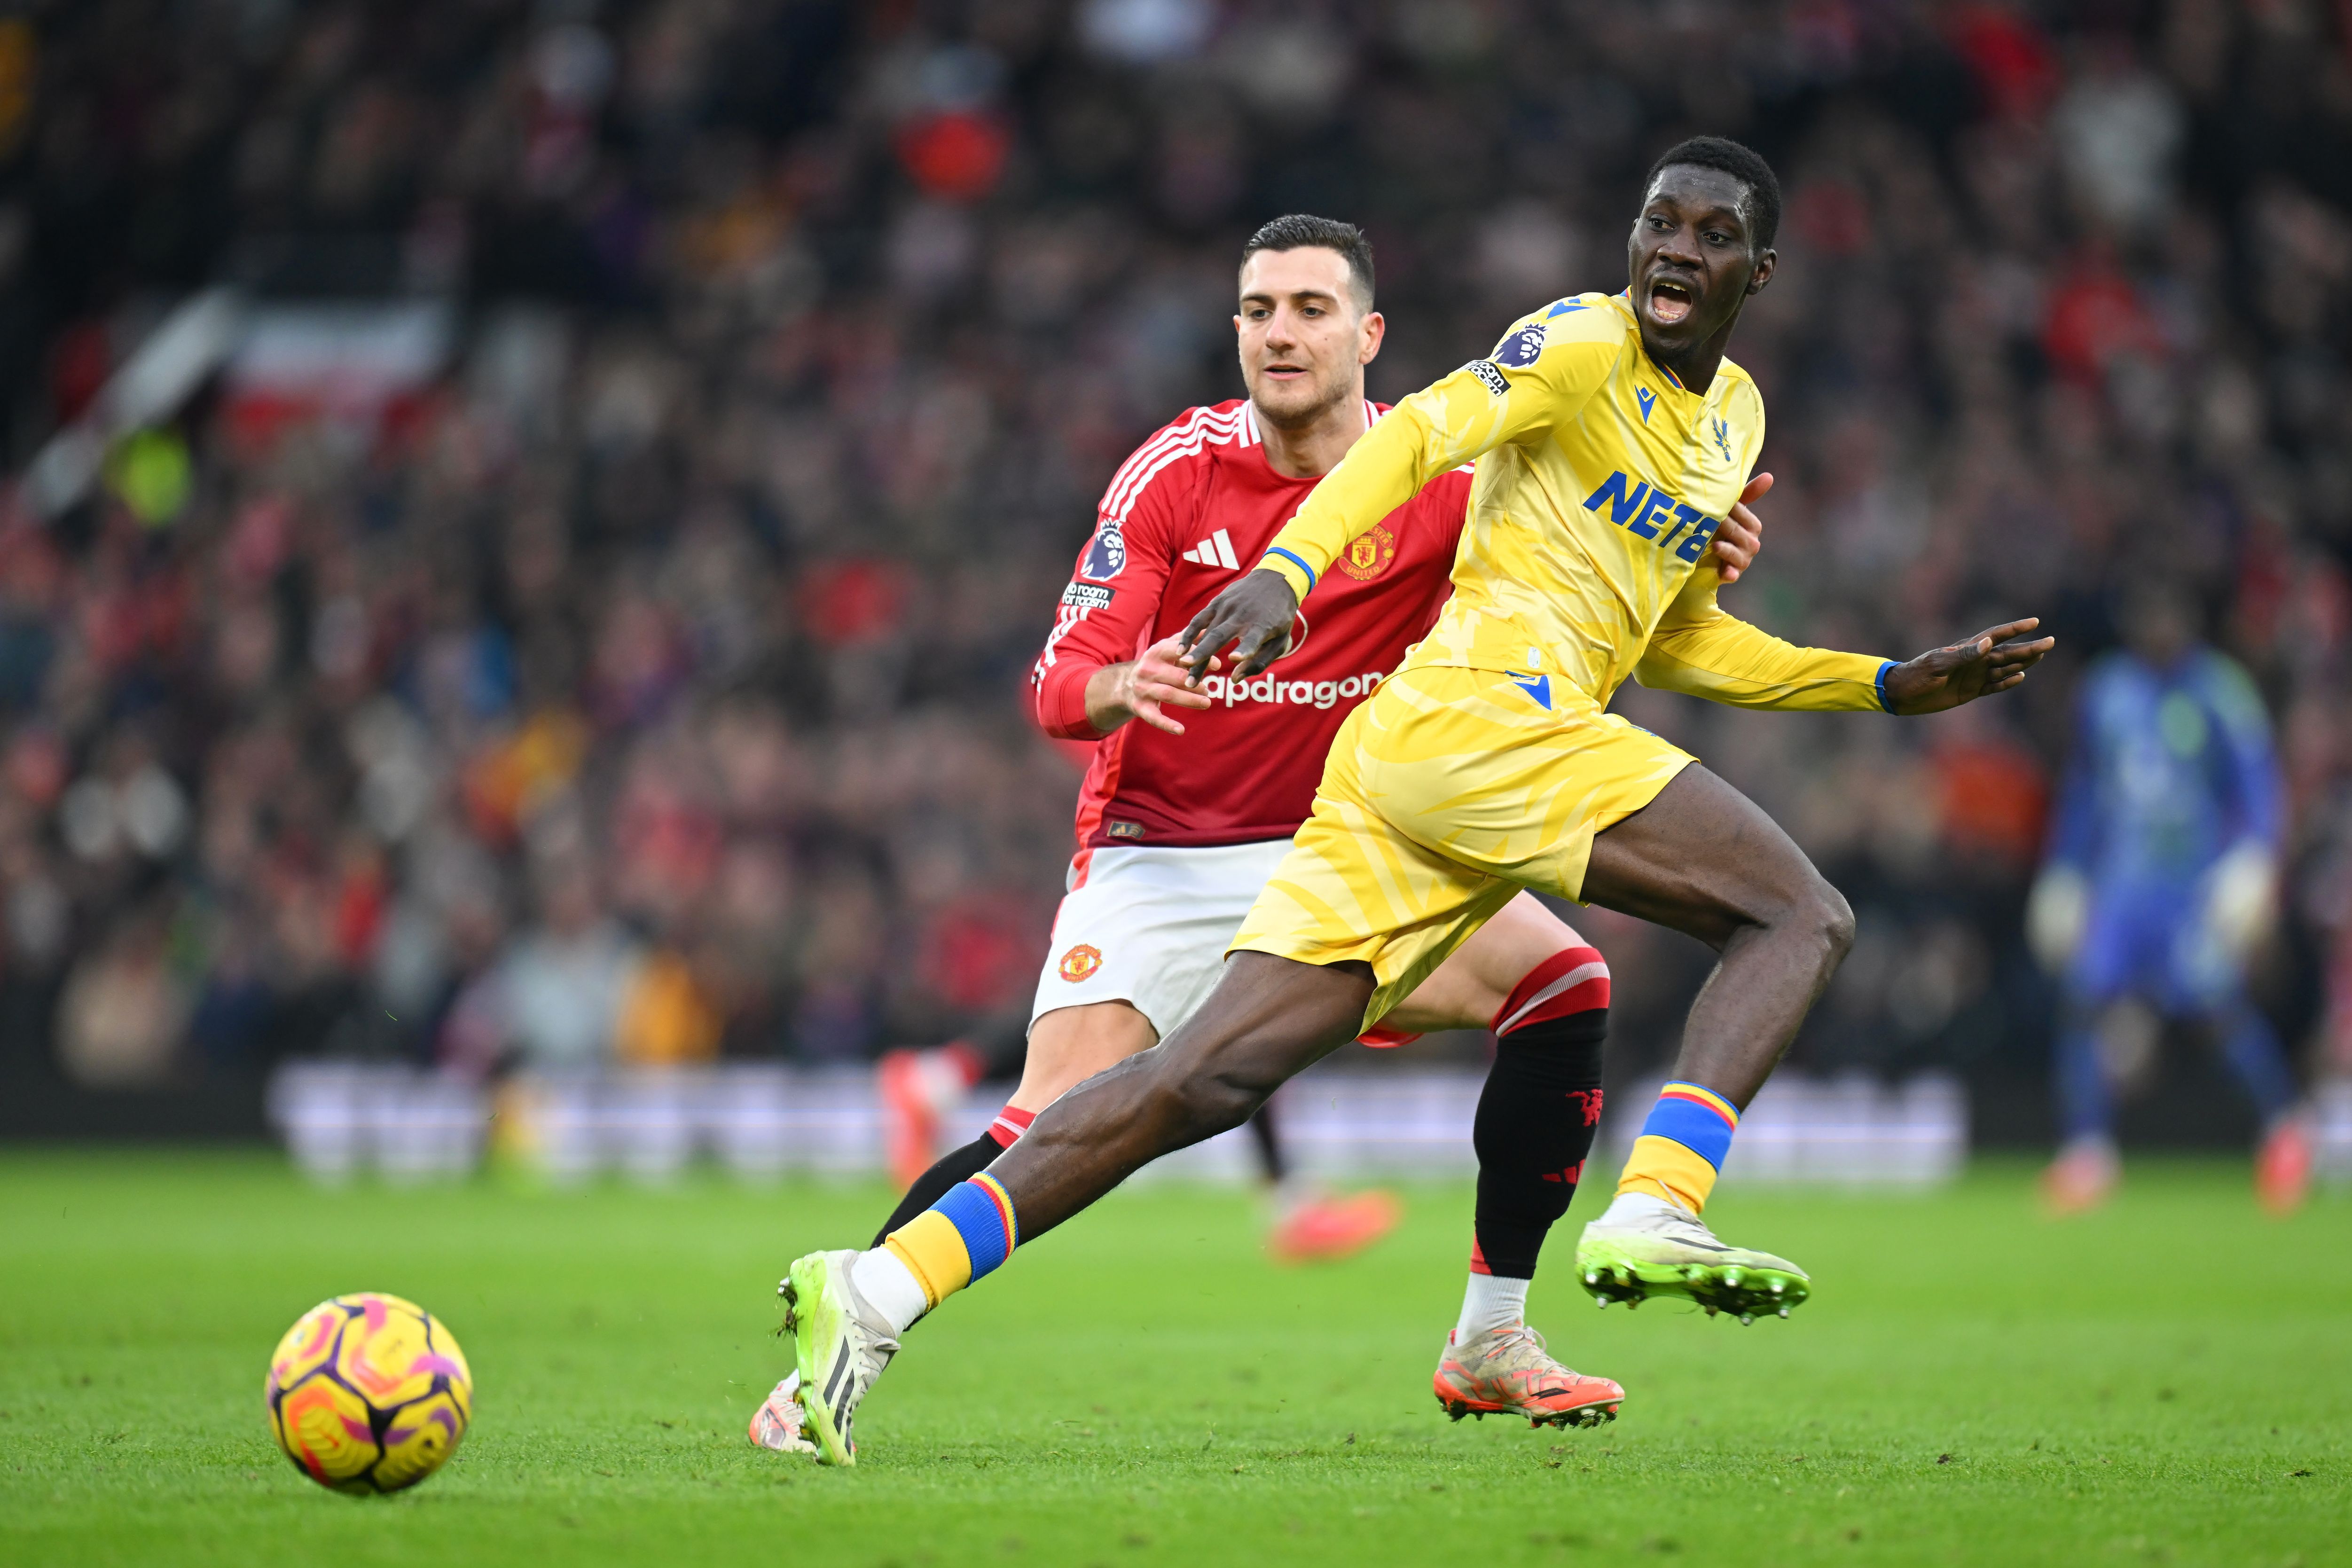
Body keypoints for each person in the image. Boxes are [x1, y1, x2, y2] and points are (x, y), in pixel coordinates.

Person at [777, 136, 2052, 1467]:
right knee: (1798, 914)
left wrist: (1883, 684)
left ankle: (873, 1293)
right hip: (1407, 753)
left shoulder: (1731, 423)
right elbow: (1424, 432)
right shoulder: (1571, 345)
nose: (1676, 248)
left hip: (1380, 778)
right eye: (1657, 222)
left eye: (1711, 234)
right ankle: (1659, 1202)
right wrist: (1278, 579)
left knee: (1218, 1080)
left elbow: (1672, 639)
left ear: (1761, 271)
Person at [2027, 574, 2311, 1215]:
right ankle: (2088, 1153)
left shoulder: (2220, 692)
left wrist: (2256, 862)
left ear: (2187, 621)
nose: (2157, 630)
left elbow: (2257, 786)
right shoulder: (2107, 692)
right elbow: (2085, 793)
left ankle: (2285, 1130)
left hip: (2193, 890)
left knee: (2215, 1013)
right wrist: (2064, 870)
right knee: (2085, 1001)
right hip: (2121, 889)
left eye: (2167, 617)